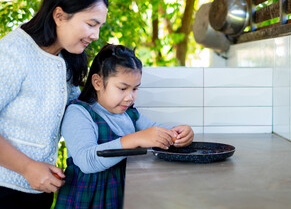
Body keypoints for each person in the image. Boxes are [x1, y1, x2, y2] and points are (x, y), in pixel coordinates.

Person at [0, 0, 108, 208]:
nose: (96, 35)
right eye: (91, 24)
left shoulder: (67, 59)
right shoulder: (12, 52)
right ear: (59, 15)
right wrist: (27, 167)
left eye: (99, 26)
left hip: (40, 192)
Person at [54, 44, 194, 209]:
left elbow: (156, 131)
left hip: (120, 196)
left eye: (135, 89)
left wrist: (179, 133)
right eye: (122, 88)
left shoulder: (130, 115)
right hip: (86, 200)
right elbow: (87, 161)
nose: (130, 97)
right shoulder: (79, 113)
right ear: (98, 82)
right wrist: (136, 138)